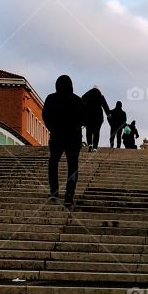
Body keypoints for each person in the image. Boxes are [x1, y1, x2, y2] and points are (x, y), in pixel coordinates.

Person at [42, 74, 86, 206]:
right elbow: (84, 119)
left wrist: (52, 128)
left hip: (57, 136)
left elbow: (45, 115)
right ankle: (69, 194)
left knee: (53, 163)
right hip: (73, 138)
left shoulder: (51, 98)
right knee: (73, 166)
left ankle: (54, 191)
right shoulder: (78, 100)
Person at [81, 86, 111, 152]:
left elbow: (81, 104)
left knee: (88, 131)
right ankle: (95, 147)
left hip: (88, 116)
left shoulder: (86, 96)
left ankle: (90, 144)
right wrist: (108, 114)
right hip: (98, 116)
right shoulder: (100, 96)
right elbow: (105, 105)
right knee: (96, 132)